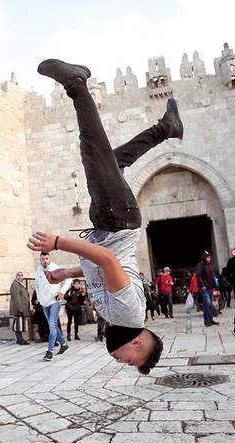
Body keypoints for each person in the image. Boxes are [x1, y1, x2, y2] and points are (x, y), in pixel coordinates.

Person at [27, 58, 181, 373]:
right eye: (128, 360)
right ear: (137, 343)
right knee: (93, 150)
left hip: (108, 222)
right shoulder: (128, 315)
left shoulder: (120, 317)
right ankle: (76, 82)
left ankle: (166, 129)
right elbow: (108, 259)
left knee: (112, 159)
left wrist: (68, 273)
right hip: (116, 221)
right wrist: (58, 242)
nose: (118, 360)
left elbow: (103, 272)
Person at [35, 251, 72, 360]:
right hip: (44, 302)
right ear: (40, 260)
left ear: (49, 258)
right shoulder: (39, 270)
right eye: (43, 259)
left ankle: (49, 351)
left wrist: (62, 292)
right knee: (54, 326)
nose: (45, 261)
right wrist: (39, 297)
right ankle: (64, 345)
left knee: (52, 325)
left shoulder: (55, 268)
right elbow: (37, 285)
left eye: (46, 258)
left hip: (55, 301)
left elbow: (69, 277)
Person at [195, 252, 219, 327]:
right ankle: (206, 320)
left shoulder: (209, 267)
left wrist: (216, 287)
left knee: (211, 304)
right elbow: (198, 276)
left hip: (210, 288)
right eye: (207, 258)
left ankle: (211, 319)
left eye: (209, 258)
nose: (209, 259)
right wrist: (202, 285)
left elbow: (213, 277)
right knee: (207, 303)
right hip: (204, 288)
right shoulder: (200, 266)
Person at [9, 270, 31, 345]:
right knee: (18, 324)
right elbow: (16, 296)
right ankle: (20, 339)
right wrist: (19, 307)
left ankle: (20, 339)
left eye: (21, 275)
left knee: (20, 323)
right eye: (18, 275)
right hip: (19, 308)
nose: (20, 277)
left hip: (23, 307)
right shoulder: (15, 284)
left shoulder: (20, 284)